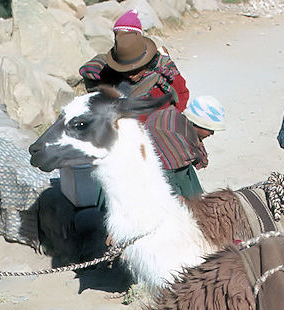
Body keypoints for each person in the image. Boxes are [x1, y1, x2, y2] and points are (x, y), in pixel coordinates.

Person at [79, 10, 202, 197]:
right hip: (131, 148)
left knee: (186, 200)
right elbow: (93, 85)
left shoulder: (162, 71)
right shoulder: (110, 71)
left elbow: (181, 97)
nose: (131, 74)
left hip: (166, 145)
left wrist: (161, 122)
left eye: (135, 68)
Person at [145, 95, 226, 198]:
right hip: (164, 179)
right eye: (210, 129)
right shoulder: (181, 143)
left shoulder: (177, 121)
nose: (212, 133)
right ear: (199, 124)